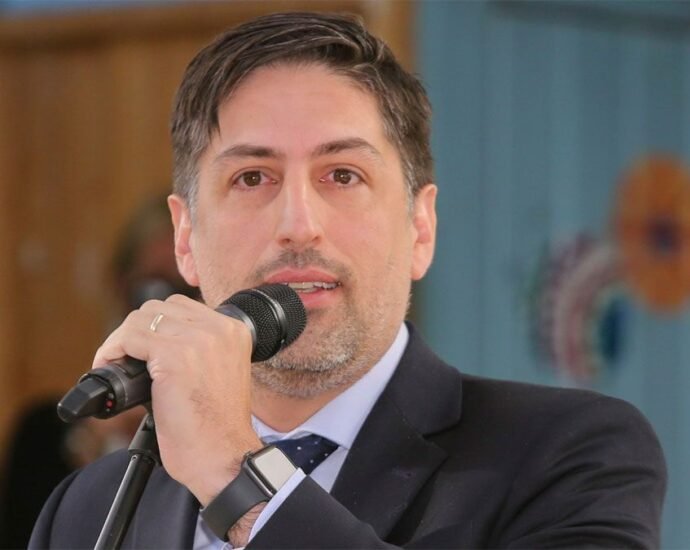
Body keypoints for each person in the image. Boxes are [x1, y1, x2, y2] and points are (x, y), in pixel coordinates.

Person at [30, 12, 666, 549]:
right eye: (252, 178)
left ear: (420, 228)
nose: (298, 225)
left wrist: (237, 474)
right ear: (185, 239)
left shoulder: (571, 454)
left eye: (342, 175)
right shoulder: (86, 510)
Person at [0, 195, 195, 549]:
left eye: (189, 291)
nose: (168, 307)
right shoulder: (47, 431)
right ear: (120, 286)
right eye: (152, 289)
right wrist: (92, 454)